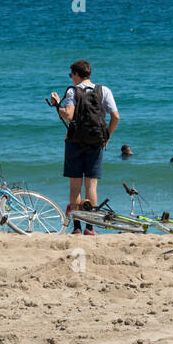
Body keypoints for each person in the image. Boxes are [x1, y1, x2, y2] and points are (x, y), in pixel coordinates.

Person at [49, 59, 119, 235]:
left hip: (74, 142)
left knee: (75, 187)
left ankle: (77, 228)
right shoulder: (104, 91)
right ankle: (90, 227)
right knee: (91, 186)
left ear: (77, 75)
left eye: (71, 74)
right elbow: (116, 117)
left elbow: (69, 115)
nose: (71, 78)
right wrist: (107, 136)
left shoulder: (73, 91)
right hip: (96, 142)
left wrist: (57, 105)